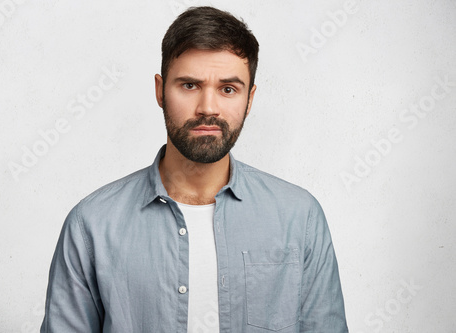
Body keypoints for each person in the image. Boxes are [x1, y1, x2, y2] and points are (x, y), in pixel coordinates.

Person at [40, 6, 348, 333]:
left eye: (228, 89)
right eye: (189, 86)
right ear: (160, 90)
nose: (208, 108)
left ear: (250, 98)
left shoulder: (299, 218)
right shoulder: (92, 224)